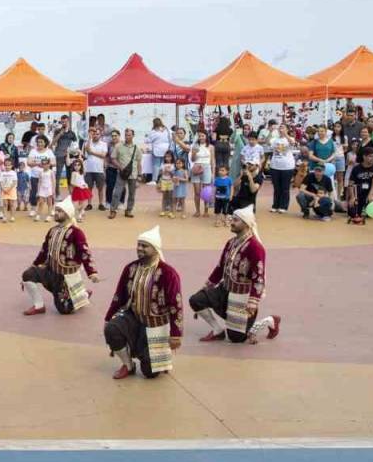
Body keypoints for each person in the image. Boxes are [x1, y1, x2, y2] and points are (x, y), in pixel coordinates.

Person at [190, 207, 280, 345]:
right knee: (196, 300)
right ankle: (218, 330)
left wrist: (253, 301)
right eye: (232, 219)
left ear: (246, 223)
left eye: (236, 220)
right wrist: (206, 286)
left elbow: (259, 276)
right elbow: (220, 267)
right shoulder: (231, 243)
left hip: (242, 296)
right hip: (225, 289)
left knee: (236, 339)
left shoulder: (255, 247)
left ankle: (270, 321)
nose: (232, 222)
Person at [103, 227, 183, 380]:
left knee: (150, 373)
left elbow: (176, 305)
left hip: (156, 324)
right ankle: (128, 365)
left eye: (144, 246)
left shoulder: (168, 273)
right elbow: (118, 296)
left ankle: (160, 355)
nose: (139, 248)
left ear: (155, 249)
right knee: (112, 329)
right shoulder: (130, 268)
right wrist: (108, 318)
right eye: (138, 245)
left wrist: (175, 334)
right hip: (133, 318)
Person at [21, 197, 100, 315]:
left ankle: (82, 294)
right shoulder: (52, 231)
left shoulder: (76, 232)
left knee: (64, 310)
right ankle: (39, 306)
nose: (55, 213)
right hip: (50, 271)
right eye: (56, 210)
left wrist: (92, 272)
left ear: (67, 214)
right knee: (28, 274)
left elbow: (85, 253)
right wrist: (34, 265)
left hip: (66, 277)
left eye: (59, 211)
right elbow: (44, 250)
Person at [109, 129, 141, 219]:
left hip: (133, 174)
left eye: (129, 135)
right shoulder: (119, 146)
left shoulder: (137, 148)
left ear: (133, 136)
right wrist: (120, 167)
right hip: (121, 173)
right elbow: (113, 158)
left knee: (132, 194)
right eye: (126, 135)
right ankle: (113, 210)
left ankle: (129, 210)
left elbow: (139, 163)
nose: (127, 137)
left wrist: (140, 175)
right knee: (117, 192)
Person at [346, 145, 373, 225]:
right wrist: (352, 197)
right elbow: (350, 184)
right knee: (352, 213)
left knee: (371, 214)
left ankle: (372, 203)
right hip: (358, 193)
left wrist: (371, 195)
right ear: (364, 157)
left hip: (370, 191)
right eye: (370, 156)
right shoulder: (356, 168)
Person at [268, 127, 297, 213]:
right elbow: (268, 143)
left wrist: (286, 135)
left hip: (287, 167)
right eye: (280, 128)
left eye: (283, 128)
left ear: (287, 129)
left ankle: (283, 206)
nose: (281, 129)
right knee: (276, 187)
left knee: (285, 188)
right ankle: (275, 205)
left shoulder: (290, 138)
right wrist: (270, 131)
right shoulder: (274, 139)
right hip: (275, 166)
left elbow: (292, 143)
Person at [83, 127, 109, 210]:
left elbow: (103, 155)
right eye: (94, 134)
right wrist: (89, 138)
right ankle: (89, 204)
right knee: (89, 188)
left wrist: (92, 152)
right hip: (89, 169)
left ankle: (101, 203)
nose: (95, 135)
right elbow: (87, 150)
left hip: (99, 170)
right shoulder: (87, 142)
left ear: (100, 135)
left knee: (100, 188)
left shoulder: (103, 144)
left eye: (97, 134)